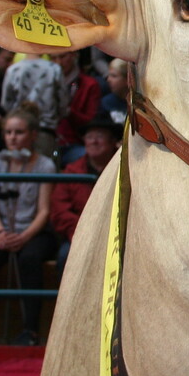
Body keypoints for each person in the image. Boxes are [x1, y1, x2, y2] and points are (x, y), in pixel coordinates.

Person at [0, 103, 56, 346]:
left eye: (19, 132)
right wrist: (0, 233)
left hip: (33, 231)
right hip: (2, 229)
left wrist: (24, 236)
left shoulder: (45, 166)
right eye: (8, 132)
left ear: (32, 135)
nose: (13, 138)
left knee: (30, 259)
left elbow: (43, 211)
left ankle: (30, 331)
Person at [51, 113, 119, 277]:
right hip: (79, 235)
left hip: (118, 236)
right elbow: (60, 209)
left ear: (112, 142)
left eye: (100, 136)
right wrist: (80, 233)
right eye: (90, 137)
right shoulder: (72, 171)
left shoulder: (125, 169)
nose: (94, 141)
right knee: (65, 256)